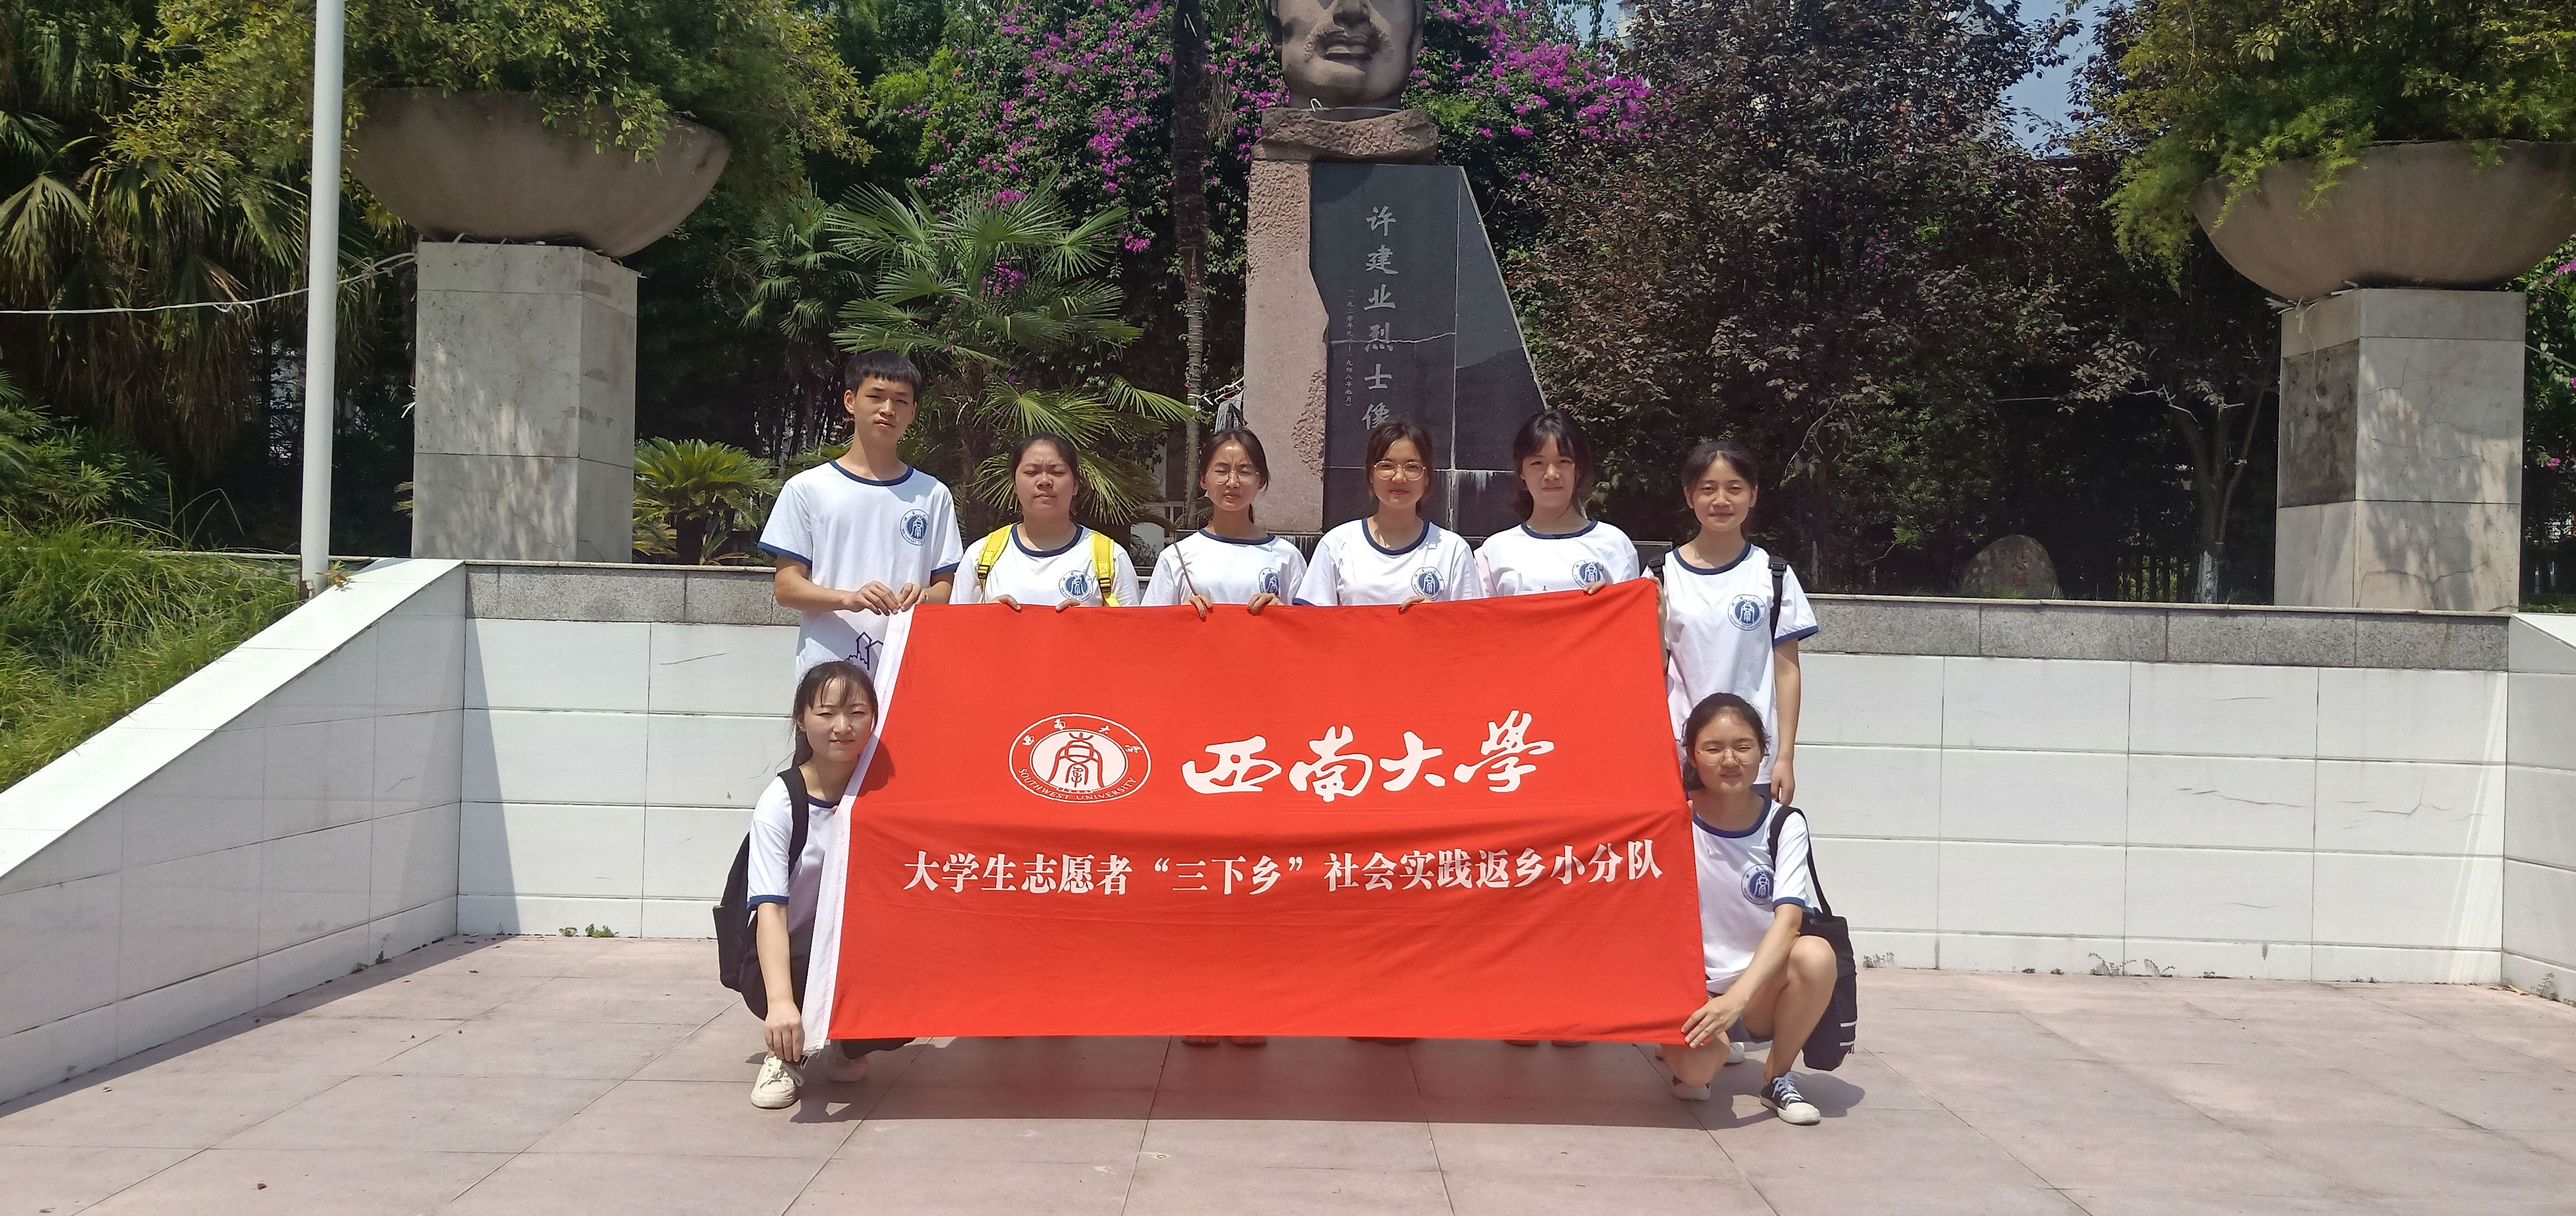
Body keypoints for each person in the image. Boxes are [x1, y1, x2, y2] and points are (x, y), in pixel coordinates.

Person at [1664, 693, 1835, 1127]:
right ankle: (1700, 1052)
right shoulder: (1673, 816)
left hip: (1757, 990)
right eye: (1713, 748)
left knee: (1815, 955)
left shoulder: (1784, 823)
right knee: (1697, 1074)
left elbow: (1790, 922)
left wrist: (1736, 1001)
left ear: (1763, 752)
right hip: (1692, 989)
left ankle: (1777, 1078)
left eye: (1743, 746)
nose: (1730, 760)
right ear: (1692, 755)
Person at [748, 660, 912, 1109]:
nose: (843, 727)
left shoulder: (889, 793)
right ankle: (784, 1055)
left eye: (857, 713)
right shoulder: (781, 803)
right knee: (800, 980)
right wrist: (781, 1003)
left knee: (914, 985)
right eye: (826, 714)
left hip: (860, 946)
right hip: (792, 953)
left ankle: (846, 1043)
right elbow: (770, 909)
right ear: (802, 720)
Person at [759, 351, 963, 678]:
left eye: (901, 401)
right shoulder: (807, 488)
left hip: (909, 670)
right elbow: (786, 588)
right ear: (851, 401)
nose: (888, 409)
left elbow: (947, 589)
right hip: (828, 674)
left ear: (913, 412)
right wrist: (849, 599)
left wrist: (924, 596)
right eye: (876, 396)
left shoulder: (933, 495)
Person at [1661, 440, 1815, 803]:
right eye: (1708, 489)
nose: (1721, 501)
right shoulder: (1661, 575)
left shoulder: (1773, 575)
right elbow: (1645, 668)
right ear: (1689, 496)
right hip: (1680, 757)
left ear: (1753, 495)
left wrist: (1785, 756)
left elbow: (1787, 671)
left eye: (1734, 488)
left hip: (1751, 760)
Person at [1292, 420, 1484, 610]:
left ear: (1427, 477)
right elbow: (1312, 621)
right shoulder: (1337, 543)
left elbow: (1471, 623)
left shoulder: (1453, 550)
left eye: (1412, 467)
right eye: (1387, 466)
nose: (1399, 477)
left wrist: (1436, 617)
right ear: (1371, 474)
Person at [954, 433, 1143, 610]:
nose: (1044, 481)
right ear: (1015, 485)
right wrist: (986, 617)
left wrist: (1092, 622)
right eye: (1031, 472)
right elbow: (956, 629)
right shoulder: (979, 557)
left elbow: (1133, 630)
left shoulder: (1112, 558)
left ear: (1075, 485)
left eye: (1057, 472)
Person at [1144, 428, 1306, 625]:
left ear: (1261, 481)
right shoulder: (1176, 557)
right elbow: (1148, 628)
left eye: (1244, 472)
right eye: (1221, 471)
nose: (1232, 482)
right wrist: (1179, 616)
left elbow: (1308, 630)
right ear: (1204, 479)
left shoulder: (1287, 556)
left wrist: (1284, 613)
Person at [1475, 409, 1641, 598]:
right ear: (1521, 470)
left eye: (1564, 461)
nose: (1551, 474)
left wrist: (1609, 601)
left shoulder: (1614, 545)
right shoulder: (1494, 551)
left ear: (1579, 468)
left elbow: (1631, 614)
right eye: (1538, 463)